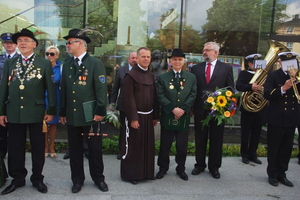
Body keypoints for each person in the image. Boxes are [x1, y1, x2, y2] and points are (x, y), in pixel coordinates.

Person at [0, 28, 57, 195]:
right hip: (14, 112)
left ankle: (37, 179)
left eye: (26, 40)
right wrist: (2, 111)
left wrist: (51, 111)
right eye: (19, 41)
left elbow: (51, 89)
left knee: (38, 147)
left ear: (34, 44)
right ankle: (17, 179)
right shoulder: (11, 63)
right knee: (15, 147)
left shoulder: (44, 63)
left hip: (37, 112)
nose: (22, 43)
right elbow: (4, 87)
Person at [59, 28, 108, 193]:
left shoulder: (95, 63)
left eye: (70, 42)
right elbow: (64, 90)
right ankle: (77, 180)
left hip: (91, 115)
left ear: (81, 44)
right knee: (75, 150)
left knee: (94, 149)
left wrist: (100, 111)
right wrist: (63, 112)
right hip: (73, 115)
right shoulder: (67, 65)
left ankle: (98, 179)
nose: (67, 45)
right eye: (67, 43)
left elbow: (101, 90)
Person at [191, 42, 234, 179]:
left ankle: (214, 167)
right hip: (200, 110)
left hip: (218, 111)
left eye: (207, 50)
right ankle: (199, 165)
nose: (204, 52)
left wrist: (225, 106)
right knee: (200, 138)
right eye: (203, 50)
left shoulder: (226, 68)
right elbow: (193, 89)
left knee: (216, 139)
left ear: (215, 52)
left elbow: (230, 89)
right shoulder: (196, 68)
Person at [156, 49, 197, 181]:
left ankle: (181, 168)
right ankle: (163, 168)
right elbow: (160, 95)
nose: (177, 62)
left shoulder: (191, 77)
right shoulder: (163, 77)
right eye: (174, 59)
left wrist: (183, 109)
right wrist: (173, 109)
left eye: (180, 59)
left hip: (183, 116)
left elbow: (193, 94)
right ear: (170, 61)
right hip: (168, 115)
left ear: (183, 61)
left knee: (182, 146)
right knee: (165, 145)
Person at [120, 47, 159, 185]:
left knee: (147, 146)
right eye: (143, 56)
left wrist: (155, 116)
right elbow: (128, 98)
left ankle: (147, 172)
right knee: (134, 146)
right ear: (137, 58)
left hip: (148, 116)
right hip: (136, 117)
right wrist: (133, 118)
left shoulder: (150, 75)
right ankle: (132, 174)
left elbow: (154, 97)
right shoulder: (130, 76)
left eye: (148, 57)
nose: (146, 59)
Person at [263, 52, 300, 187]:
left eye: (292, 63)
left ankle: (282, 174)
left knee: (287, 149)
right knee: (274, 147)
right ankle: (272, 174)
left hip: (291, 118)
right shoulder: (273, 75)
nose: (289, 66)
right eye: (286, 63)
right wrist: (283, 88)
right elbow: (267, 94)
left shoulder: (298, 77)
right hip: (276, 118)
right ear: (280, 63)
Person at [236, 54, 264, 165]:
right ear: (249, 64)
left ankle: (253, 153)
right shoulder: (244, 73)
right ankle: (244, 154)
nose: (256, 66)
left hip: (260, 107)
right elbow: (239, 86)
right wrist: (251, 87)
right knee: (246, 132)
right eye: (254, 63)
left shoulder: (264, 75)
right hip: (247, 107)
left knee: (257, 132)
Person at [110, 51, 137, 160]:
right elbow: (115, 88)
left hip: (137, 105)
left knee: (135, 128)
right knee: (123, 128)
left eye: (136, 58)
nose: (134, 60)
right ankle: (121, 150)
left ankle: (134, 150)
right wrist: (111, 104)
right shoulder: (121, 70)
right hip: (123, 105)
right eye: (132, 58)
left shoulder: (141, 70)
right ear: (128, 59)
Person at [0, 32, 18, 159]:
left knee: (14, 128)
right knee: (1, 127)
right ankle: (2, 154)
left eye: (11, 43)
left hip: (15, 98)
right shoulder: (0, 58)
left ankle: (13, 153)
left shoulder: (21, 60)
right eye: (6, 43)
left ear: (16, 45)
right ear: (3, 44)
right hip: (1, 97)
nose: (9, 45)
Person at [44, 46, 62, 158]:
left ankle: (52, 147)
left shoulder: (61, 68)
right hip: (43, 97)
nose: (49, 56)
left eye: (52, 54)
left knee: (53, 124)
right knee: (44, 124)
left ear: (57, 55)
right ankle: (45, 146)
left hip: (55, 98)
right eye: (48, 53)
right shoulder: (42, 66)